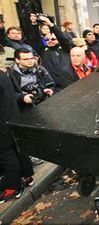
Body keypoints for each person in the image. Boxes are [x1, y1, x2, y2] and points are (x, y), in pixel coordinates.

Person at [0, 70, 34, 204]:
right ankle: (27, 175)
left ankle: (12, 187)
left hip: (2, 122)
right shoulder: (2, 74)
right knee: (18, 149)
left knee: (6, 155)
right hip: (12, 118)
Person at [8, 48, 54, 112]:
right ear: (17, 60)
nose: (30, 61)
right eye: (26, 59)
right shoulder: (10, 74)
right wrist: (22, 97)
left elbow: (50, 83)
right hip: (24, 106)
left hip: (43, 100)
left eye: (32, 58)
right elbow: (8, 93)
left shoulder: (39, 69)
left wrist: (48, 89)